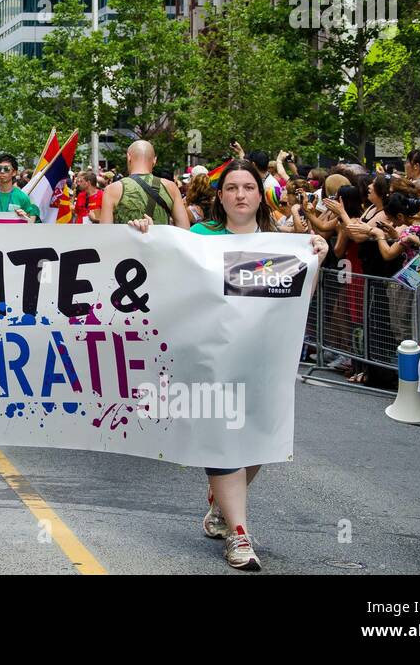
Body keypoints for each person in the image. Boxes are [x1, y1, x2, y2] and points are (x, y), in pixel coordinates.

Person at [129, 158, 329, 571]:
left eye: (248, 187)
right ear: (220, 196)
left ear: (260, 194)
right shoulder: (200, 237)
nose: (240, 194)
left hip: (262, 361)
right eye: (232, 188)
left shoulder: (283, 242)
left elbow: (296, 303)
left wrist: (317, 260)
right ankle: (240, 535)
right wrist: (145, 238)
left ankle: (221, 505)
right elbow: (164, 274)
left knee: (255, 439)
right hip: (210, 362)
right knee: (223, 437)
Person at [100, 140, 189, 228]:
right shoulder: (171, 187)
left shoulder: (112, 190)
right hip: (159, 242)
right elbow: (184, 231)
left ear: (128, 157)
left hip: (125, 242)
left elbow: (105, 233)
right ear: (154, 160)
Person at [0, 154, 40, 222]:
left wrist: (25, 218)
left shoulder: (23, 197)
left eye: (6, 169)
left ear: (14, 172)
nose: (2, 172)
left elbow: (30, 226)